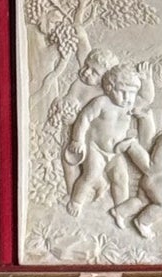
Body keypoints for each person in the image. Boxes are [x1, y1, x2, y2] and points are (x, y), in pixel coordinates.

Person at [66, 64, 155, 215]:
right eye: (122, 92)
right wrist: (77, 140)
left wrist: (147, 81)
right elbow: (84, 119)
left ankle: (120, 210)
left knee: (121, 178)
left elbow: (147, 99)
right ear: (109, 88)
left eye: (132, 93)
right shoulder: (101, 102)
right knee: (91, 175)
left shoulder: (130, 105)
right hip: (96, 149)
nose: (127, 97)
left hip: (116, 152)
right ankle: (76, 201)